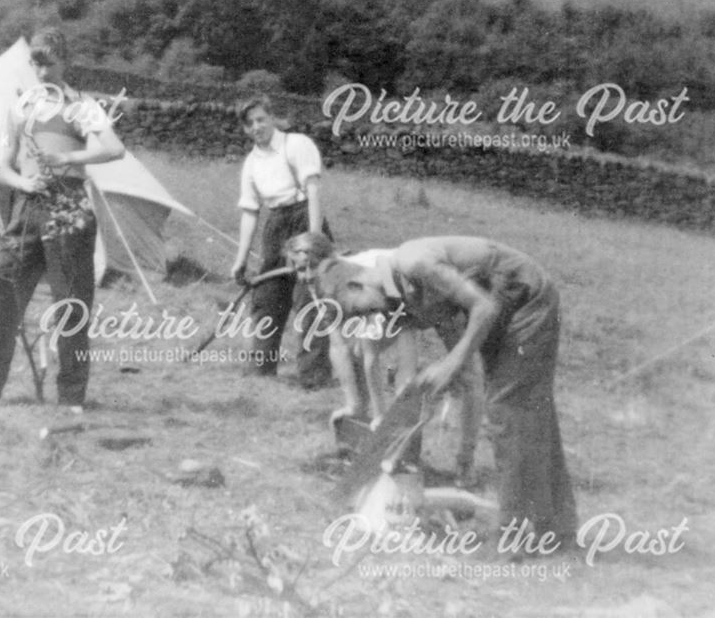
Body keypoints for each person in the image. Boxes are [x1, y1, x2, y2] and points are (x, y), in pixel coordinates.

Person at [306, 233, 578, 548]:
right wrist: (442, 375)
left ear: (357, 285)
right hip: (503, 311)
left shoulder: (413, 262)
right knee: (529, 415)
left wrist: (452, 363)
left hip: (527, 299)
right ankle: (558, 530)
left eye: (359, 311)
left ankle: (514, 540)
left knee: (508, 413)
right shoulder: (397, 295)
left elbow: (484, 307)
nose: (368, 318)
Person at [0, 28, 125, 410]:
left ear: (64, 62)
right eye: (35, 64)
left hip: (68, 207)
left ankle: (71, 399)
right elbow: (3, 168)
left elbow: (113, 148)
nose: (41, 73)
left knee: (70, 304)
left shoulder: (81, 105)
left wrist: (67, 159)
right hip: (26, 206)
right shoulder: (21, 106)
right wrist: (24, 180)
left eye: (49, 64)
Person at [285, 233, 483, 487]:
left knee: (470, 375)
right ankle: (377, 437)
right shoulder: (321, 283)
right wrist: (354, 406)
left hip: (436, 294)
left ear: (327, 260)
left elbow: (404, 354)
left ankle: (465, 461)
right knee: (361, 351)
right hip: (402, 306)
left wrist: (396, 411)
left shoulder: (363, 278)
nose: (303, 277)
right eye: (297, 271)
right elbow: (339, 344)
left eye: (306, 268)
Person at [229, 95, 331, 388]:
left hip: (303, 218)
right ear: (245, 129)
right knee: (266, 298)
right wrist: (241, 259)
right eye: (250, 123)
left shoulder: (296, 144)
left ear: (272, 118)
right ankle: (261, 371)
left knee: (310, 298)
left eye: (261, 119)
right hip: (276, 225)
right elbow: (250, 212)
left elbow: (313, 192)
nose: (256, 127)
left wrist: (312, 241)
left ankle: (313, 377)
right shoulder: (251, 163)